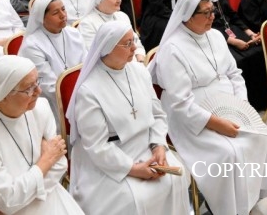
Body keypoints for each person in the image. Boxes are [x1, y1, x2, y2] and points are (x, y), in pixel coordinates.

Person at [150, 0, 267, 214]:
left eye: (212, 11)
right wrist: (216, 123)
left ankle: (249, 199)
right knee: (227, 153)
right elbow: (180, 102)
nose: (212, 17)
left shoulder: (215, 36)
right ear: (187, 16)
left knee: (261, 135)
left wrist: (241, 104)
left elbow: (234, 74)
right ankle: (225, 207)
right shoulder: (172, 50)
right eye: (206, 13)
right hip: (189, 114)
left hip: (229, 103)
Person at [67, 21, 190, 213]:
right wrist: (132, 169)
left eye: (133, 40)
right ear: (107, 48)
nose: (134, 47)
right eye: (127, 44)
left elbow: (157, 114)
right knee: (131, 200)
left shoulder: (140, 71)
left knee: (178, 179)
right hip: (110, 154)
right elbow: (96, 146)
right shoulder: (89, 90)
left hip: (146, 144)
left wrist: (158, 145)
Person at [0, 55, 83, 214]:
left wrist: (18, 201)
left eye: (37, 83)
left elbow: (60, 164)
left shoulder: (41, 108)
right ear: (4, 94)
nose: (38, 92)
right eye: (29, 88)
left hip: (41, 199)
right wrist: (46, 161)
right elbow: (9, 198)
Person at [189, 0, 267, 110]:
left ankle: (262, 101)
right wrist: (232, 41)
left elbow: (233, 16)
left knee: (258, 52)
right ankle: (244, 103)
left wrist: (249, 32)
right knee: (240, 60)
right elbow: (206, 27)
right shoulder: (199, 1)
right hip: (212, 37)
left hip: (230, 30)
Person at [19, 0, 87, 125]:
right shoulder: (33, 45)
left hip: (82, 94)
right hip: (54, 102)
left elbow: (86, 66)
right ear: (42, 18)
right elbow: (49, 87)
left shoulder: (73, 33)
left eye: (63, 9)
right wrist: (84, 96)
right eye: (56, 12)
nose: (63, 15)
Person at [77, 0, 146, 61]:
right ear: (100, 0)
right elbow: (93, 54)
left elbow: (136, 43)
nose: (119, 0)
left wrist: (140, 61)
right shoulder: (87, 24)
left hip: (133, 62)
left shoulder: (122, 16)